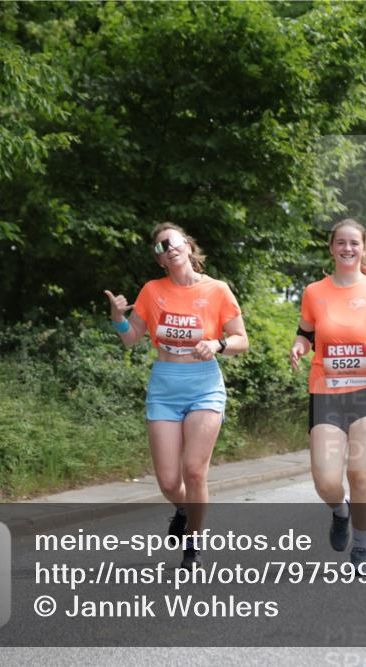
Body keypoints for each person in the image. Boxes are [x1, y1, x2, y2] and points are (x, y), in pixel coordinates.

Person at [105, 223, 248, 569]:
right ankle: (183, 509)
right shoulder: (153, 291)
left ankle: (194, 545)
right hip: (165, 387)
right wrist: (117, 317)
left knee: (194, 471)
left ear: (187, 245)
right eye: (160, 247)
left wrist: (217, 344)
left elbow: (242, 340)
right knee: (170, 481)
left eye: (173, 242)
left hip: (204, 386)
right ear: (160, 260)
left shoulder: (217, 290)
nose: (168, 248)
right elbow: (131, 337)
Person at [290, 219, 366, 566]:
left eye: (354, 243)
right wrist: (298, 347)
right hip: (326, 393)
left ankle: (362, 547)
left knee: (360, 474)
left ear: (364, 247)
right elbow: (305, 333)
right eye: (341, 243)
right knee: (325, 480)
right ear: (331, 248)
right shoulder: (314, 292)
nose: (348, 249)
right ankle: (340, 509)